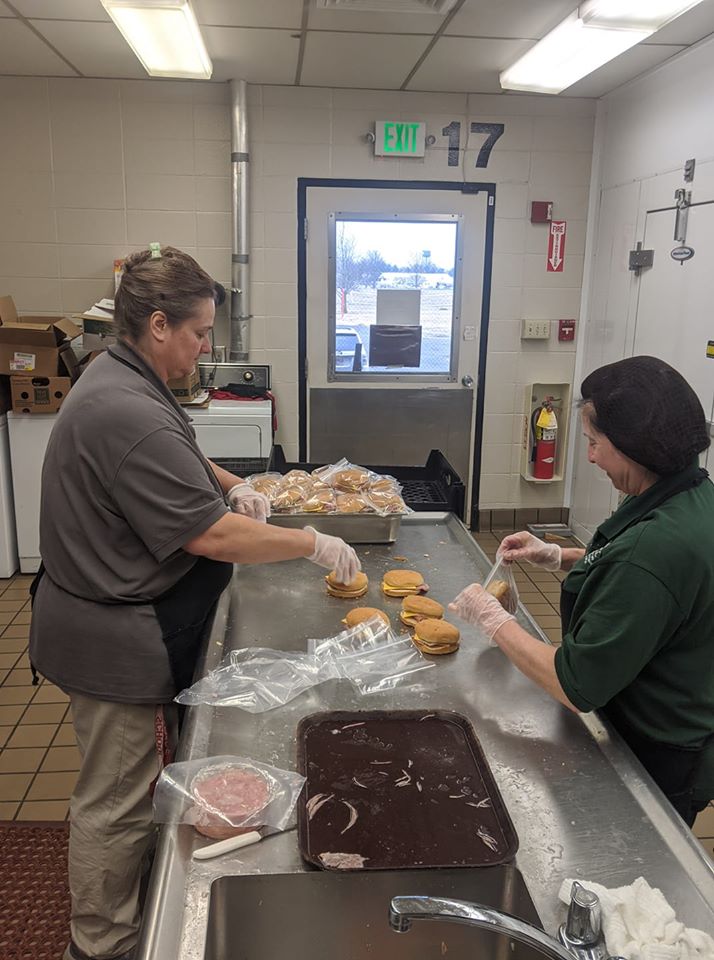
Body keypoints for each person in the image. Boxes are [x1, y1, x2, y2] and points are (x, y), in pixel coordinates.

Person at [29, 246, 360, 960]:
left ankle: (131, 902)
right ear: (156, 324)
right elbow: (210, 536)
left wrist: (233, 480)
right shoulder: (124, 407)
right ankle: (102, 944)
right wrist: (310, 544)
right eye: (200, 332)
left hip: (109, 614)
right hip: (110, 636)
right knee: (112, 804)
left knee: (124, 793)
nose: (207, 347)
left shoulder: (120, 373)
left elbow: (177, 451)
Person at [451, 356, 714, 828]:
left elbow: (576, 685)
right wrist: (559, 555)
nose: (590, 458)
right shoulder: (689, 492)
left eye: (595, 444)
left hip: (653, 751)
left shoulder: (654, 552)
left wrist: (494, 619)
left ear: (635, 447)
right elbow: (643, 576)